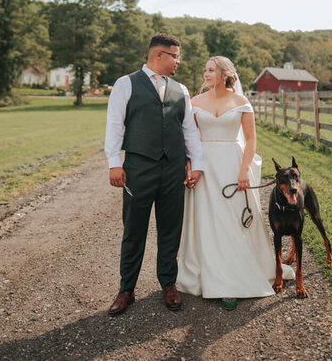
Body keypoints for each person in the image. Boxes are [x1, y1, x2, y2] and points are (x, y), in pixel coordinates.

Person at [176, 56, 293, 309]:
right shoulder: (195, 102)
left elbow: (250, 140)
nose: (205, 74)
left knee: (233, 219)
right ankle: (211, 275)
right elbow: (190, 139)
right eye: (205, 70)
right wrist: (191, 167)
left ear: (224, 74)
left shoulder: (241, 102)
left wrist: (243, 171)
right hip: (205, 166)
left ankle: (235, 277)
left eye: (211, 70)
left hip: (233, 165)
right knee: (208, 220)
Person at [104, 33, 205, 316]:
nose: (178, 62)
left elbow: (189, 130)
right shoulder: (126, 84)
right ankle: (126, 290)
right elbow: (114, 124)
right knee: (133, 230)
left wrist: (196, 163)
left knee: (171, 229)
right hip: (138, 167)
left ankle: (168, 285)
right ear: (158, 55)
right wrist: (115, 162)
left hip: (173, 168)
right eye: (175, 56)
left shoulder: (181, 89)